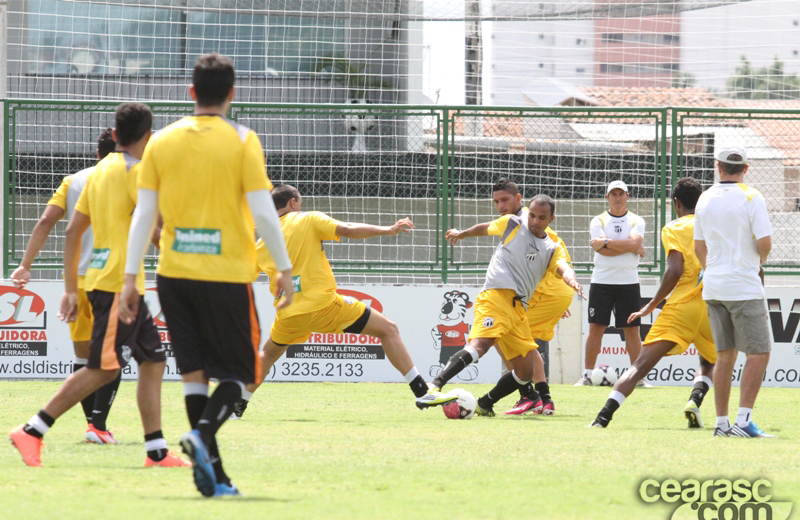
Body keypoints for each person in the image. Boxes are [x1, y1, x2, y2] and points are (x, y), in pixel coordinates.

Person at [119, 54, 294, 497]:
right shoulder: (243, 140)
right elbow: (264, 213)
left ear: (191, 91)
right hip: (225, 274)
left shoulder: (161, 142)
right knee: (242, 373)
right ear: (232, 93)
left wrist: (129, 277)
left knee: (194, 374)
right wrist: (284, 267)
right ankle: (201, 436)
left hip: (173, 275)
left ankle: (214, 479)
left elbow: (143, 215)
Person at [8, 102, 188, 469]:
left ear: (116, 135)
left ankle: (156, 452)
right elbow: (155, 229)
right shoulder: (138, 173)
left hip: (106, 281)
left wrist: (70, 289)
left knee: (153, 360)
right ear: (149, 136)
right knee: (104, 368)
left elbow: (72, 231)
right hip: (117, 285)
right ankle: (32, 429)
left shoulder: (97, 172)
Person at [230, 184, 459, 419]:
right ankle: (422, 392)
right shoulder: (308, 219)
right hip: (323, 305)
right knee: (388, 329)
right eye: (300, 202)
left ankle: (237, 406)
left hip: (288, 314)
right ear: (292, 203)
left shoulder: (264, 240)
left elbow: (241, 274)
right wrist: (388, 229)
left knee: (267, 354)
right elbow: (347, 229)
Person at [10, 128, 122, 444]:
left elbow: (46, 221)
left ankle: (94, 427)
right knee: (113, 359)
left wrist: (26, 264)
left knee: (84, 359)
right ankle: (97, 426)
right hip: (110, 279)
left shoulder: (74, 180)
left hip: (77, 282)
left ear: (97, 153)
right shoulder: (128, 176)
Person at [431, 195, 583, 416]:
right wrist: (462, 234)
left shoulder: (552, 247)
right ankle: (434, 386)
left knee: (525, 371)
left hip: (519, 308)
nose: (535, 221)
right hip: (495, 296)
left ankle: (488, 403)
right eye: (532, 215)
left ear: (551, 219)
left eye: (542, 218)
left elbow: (563, 267)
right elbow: (484, 228)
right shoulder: (513, 223)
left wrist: (572, 280)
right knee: (481, 345)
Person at [590, 178, 716, 428]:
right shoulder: (713, 226)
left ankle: (603, 417)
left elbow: (675, 270)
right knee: (709, 360)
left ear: (676, 202)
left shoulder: (673, 228)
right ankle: (695, 399)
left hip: (681, 307)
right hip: (711, 303)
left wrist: (651, 305)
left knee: (640, 365)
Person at [694, 147, 774, 438]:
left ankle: (722, 423)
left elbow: (699, 248)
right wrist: (758, 261)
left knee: (724, 355)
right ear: (746, 168)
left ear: (719, 167)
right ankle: (743, 421)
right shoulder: (752, 196)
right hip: (743, 286)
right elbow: (764, 243)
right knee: (759, 353)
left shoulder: (704, 197)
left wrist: (713, 269)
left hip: (714, 286)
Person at [577, 180, 650, 388]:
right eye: (614, 194)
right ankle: (587, 375)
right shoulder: (598, 220)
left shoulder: (637, 220)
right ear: (607, 197)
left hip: (629, 281)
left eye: (621, 193)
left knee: (632, 329)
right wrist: (630, 247)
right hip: (601, 281)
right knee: (596, 328)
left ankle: (637, 377)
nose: (617, 197)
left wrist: (607, 242)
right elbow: (601, 251)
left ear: (627, 196)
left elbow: (630, 243)